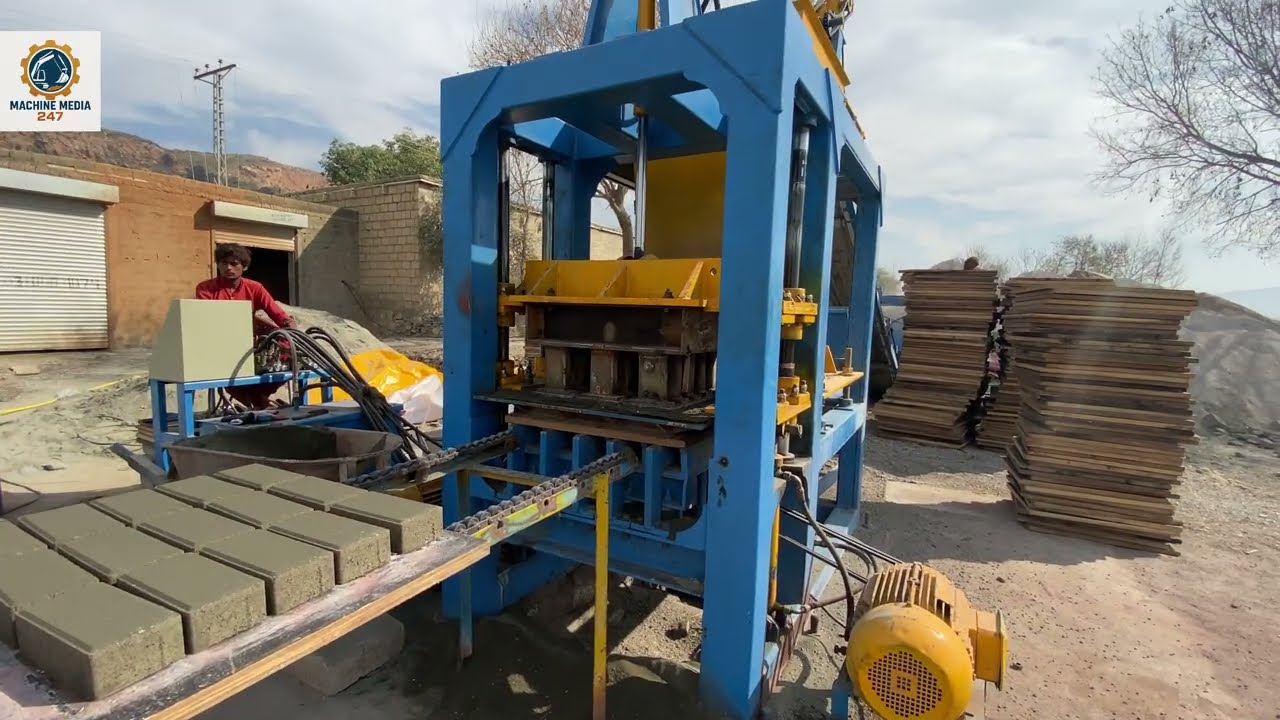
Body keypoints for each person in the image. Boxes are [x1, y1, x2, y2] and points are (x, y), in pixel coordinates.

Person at [195, 243, 295, 409]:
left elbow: (278, 314)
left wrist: (289, 332)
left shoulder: (255, 288)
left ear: (245, 266)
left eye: (234, 264)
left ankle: (259, 402)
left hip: (250, 346)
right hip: (219, 347)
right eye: (223, 263)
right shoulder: (206, 289)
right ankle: (260, 403)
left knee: (286, 363)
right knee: (230, 378)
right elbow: (208, 320)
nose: (228, 268)